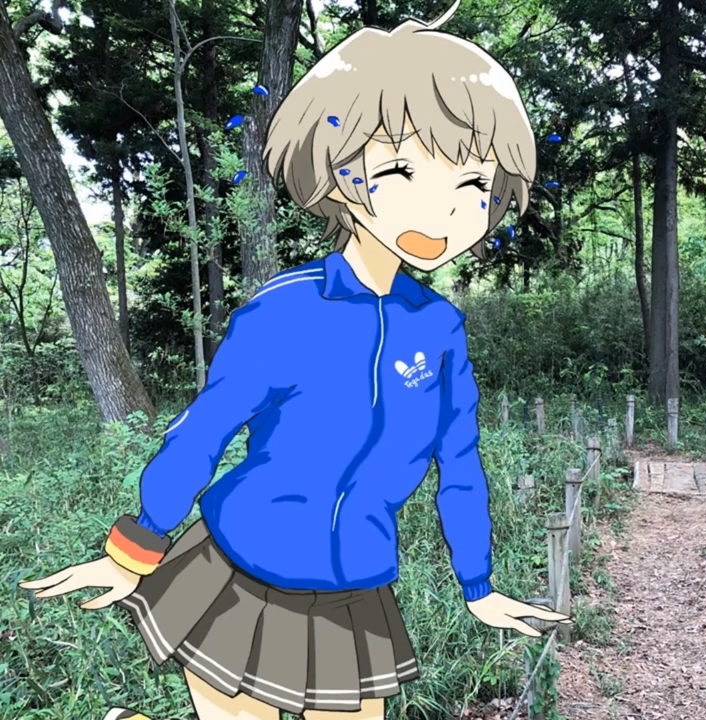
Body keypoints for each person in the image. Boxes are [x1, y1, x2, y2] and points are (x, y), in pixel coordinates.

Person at [20, 6, 568, 719]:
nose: (441, 212)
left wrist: (478, 583)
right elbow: (206, 427)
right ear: (337, 174)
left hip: (356, 585)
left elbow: (459, 463)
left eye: (471, 186)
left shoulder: (440, 329)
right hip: (240, 569)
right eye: (403, 169)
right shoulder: (284, 309)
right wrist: (138, 544)